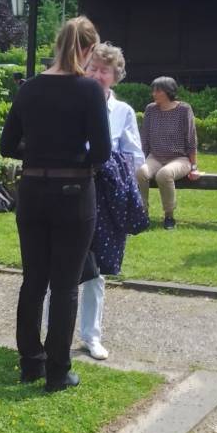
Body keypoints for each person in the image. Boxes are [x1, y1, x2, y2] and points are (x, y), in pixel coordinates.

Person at [0, 16, 111, 392]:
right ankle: (58, 372)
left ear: (58, 43)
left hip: (32, 191)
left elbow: (6, 146)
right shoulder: (89, 91)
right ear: (88, 49)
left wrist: (40, 154)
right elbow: (103, 151)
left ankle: (31, 363)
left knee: (33, 280)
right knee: (64, 285)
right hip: (74, 195)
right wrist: (70, 159)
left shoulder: (29, 89)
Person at [81, 43, 145, 360]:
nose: (97, 74)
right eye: (92, 68)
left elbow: (134, 157)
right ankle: (53, 335)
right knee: (60, 267)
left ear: (115, 77)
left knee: (96, 270)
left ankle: (91, 336)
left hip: (104, 197)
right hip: (73, 190)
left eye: (104, 70)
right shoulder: (72, 102)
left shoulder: (123, 112)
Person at [136, 77, 199, 228]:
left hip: (179, 158)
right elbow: (144, 138)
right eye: (153, 90)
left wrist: (194, 166)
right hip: (155, 157)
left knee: (164, 174)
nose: (153, 93)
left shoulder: (184, 109)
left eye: (157, 90)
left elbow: (191, 138)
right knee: (140, 172)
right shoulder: (150, 109)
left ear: (168, 92)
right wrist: (141, 159)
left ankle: (169, 216)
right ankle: (141, 214)